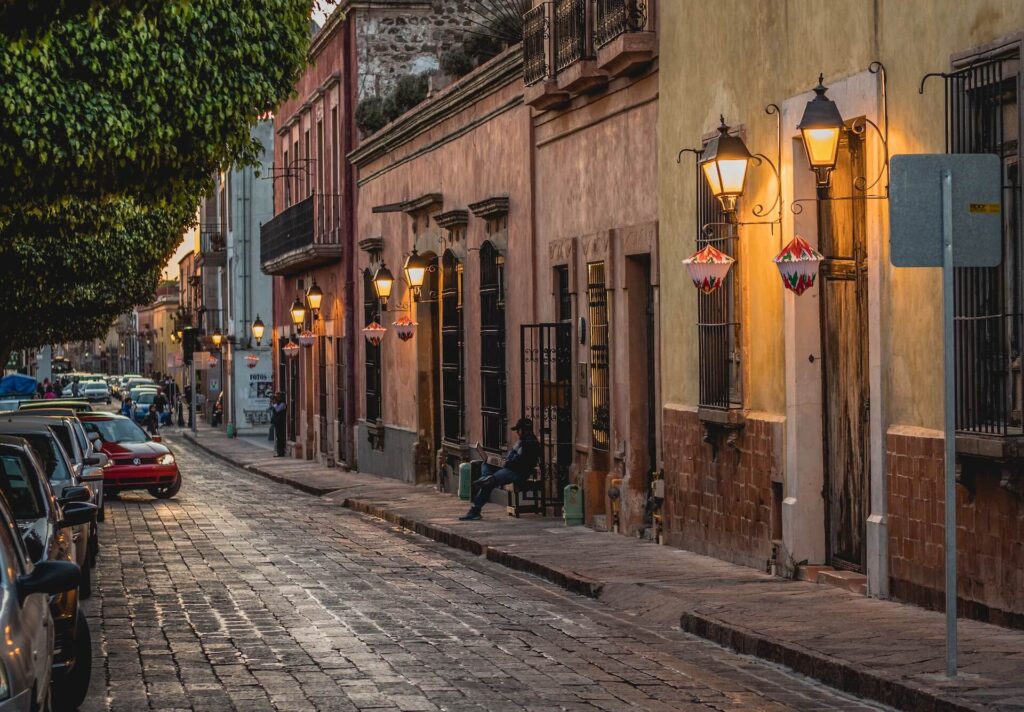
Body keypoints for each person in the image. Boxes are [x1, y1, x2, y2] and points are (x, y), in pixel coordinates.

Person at [459, 417, 542, 521]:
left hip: (517, 472)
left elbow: (521, 464)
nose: (517, 432)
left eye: (518, 430)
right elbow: (512, 457)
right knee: (486, 463)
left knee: (489, 483)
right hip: (509, 467)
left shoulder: (530, 444)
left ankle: (475, 509)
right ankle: (487, 477)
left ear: (524, 430)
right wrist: (501, 461)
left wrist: (506, 463)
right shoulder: (521, 441)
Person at [271, 392, 287, 457]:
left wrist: (274, 404)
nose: (276, 398)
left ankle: (281, 452)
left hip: (281, 423)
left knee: (280, 438)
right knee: (278, 438)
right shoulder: (277, 404)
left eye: (277, 397)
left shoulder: (282, 404)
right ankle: (278, 451)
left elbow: (277, 410)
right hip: (277, 423)